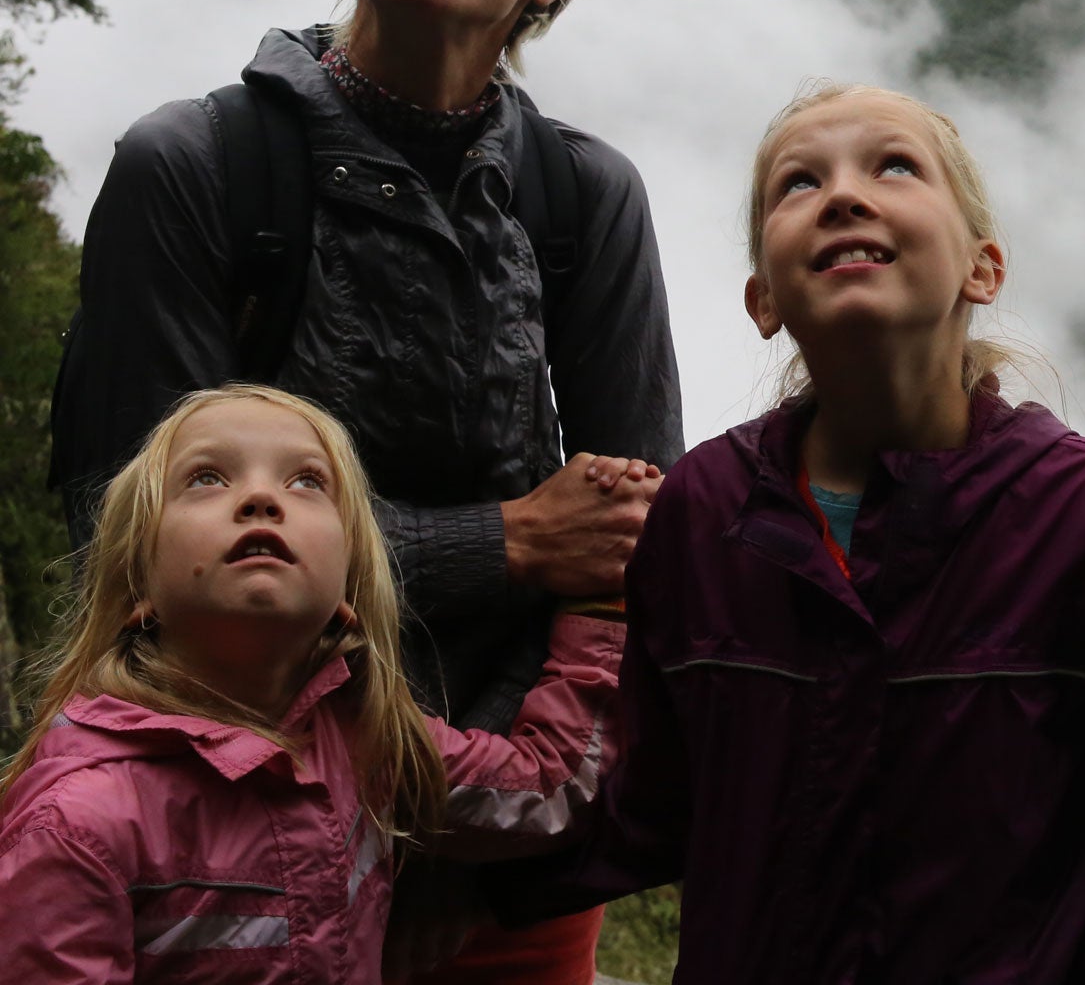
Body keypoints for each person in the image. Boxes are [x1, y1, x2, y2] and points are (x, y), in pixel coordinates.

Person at [48, 0, 683, 977]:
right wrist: (505, 541)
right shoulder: (194, 169)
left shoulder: (581, 199)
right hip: (226, 839)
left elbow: (621, 550)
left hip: (511, 859)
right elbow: (124, 534)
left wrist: (457, 845)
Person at [491, 82, 1085, 982]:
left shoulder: (1083, 510)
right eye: (798, 184)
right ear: (762, 297)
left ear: (983, 268)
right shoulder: (705, 510)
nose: (845, 194)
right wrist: (450, 897)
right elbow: (653, 804)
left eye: (894, 166)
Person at [0, 385, 624, 982]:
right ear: (138, 589)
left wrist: (604, 598)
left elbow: (543, 792)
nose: (261, 499)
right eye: (206, 477)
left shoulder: (363, 742)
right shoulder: (78, 826)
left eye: (306, 482)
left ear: (349, 594)